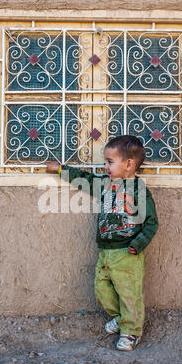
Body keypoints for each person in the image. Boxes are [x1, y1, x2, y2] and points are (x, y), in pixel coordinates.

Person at [46, 135, 159, 351]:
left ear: (129, 164)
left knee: (129, 293)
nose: (105, 166)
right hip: (106, 252)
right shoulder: (105, 185)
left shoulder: (138, 190)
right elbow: (84, 178)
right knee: (102, 290)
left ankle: (131, 332)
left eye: (109, 162)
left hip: (128, 253)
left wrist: (139, 243)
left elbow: (152, 222)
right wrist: (61, 169)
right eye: (105, 161)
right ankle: (119, 317)